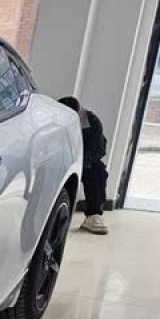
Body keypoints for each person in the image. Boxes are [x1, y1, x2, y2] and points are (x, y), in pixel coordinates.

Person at [60, 96, 110, 234]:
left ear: (80, 114)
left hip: (83, 161)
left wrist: (80, 164)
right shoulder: (52, 120)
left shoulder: (92, 121)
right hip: (59, 159)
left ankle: (93, 215)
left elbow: (99, 149)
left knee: (98, 171)